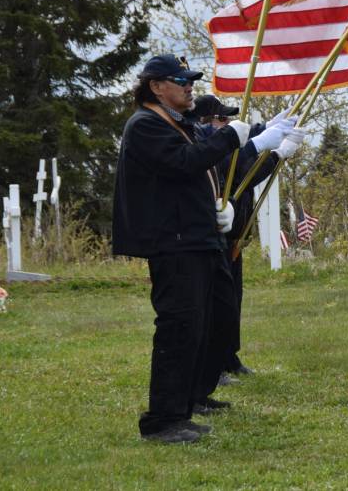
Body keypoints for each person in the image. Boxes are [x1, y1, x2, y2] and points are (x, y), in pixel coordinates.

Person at [113, 54, 303, 444]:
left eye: (190, 79)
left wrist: (264, 136)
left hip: (196, 239)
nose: (189, 85)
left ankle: (188, 404)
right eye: (180, 79)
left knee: (201, 326)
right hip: (174, 242)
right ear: (155, 86)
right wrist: (237, 134)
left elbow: (214, 162)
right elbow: (187, 161)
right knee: (178, 329)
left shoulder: (176, 124)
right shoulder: (146, 125)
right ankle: (162, 420)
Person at [192, 95, 299, 387]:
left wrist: (267, 131)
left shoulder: (221, 149)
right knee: (217, 307)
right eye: (222, 120)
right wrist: (276, 153)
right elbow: (240, 175)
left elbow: (244, 166)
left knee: (232, 301)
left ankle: (228, 357)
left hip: (235, 236)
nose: (228, 126)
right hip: (215, 238)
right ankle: (216, 366)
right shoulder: (207, 151)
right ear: (205, 122)